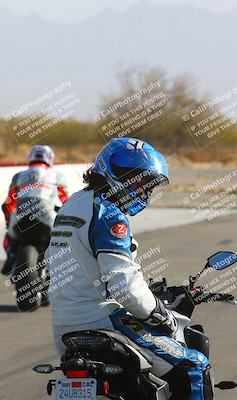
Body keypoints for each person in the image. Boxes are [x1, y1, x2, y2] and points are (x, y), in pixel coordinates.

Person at [47, 138, 208, 399]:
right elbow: (125, 287)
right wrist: (160, 315)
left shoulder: (73, 204)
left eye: (147, 184)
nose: (142, 189)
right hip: (102, 322)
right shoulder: (108, 214)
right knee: (194, 365)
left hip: (63, 327)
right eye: (137, 180)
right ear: (113, 172)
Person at [1, 144, 69, 276]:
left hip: (19, 218)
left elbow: (8, 204)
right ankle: (59, 270)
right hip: (47, 217)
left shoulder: (18, 176)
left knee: (10, 237)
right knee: (64, 239)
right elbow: (67, 201)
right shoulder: (57, 175)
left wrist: (9, 223)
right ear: (50, 158)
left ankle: (11, 258)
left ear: (30, 158)